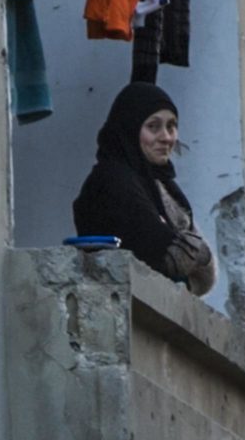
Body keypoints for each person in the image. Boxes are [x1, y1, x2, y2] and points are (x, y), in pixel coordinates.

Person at [73, 83, 217, 295]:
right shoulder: (112, 181)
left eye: (171, 126)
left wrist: (191, 251)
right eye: (153, 126)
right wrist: (195, 252)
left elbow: (206, 274)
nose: (167, 137)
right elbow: (175, 258)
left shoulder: (163, 186)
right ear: (130, 128)